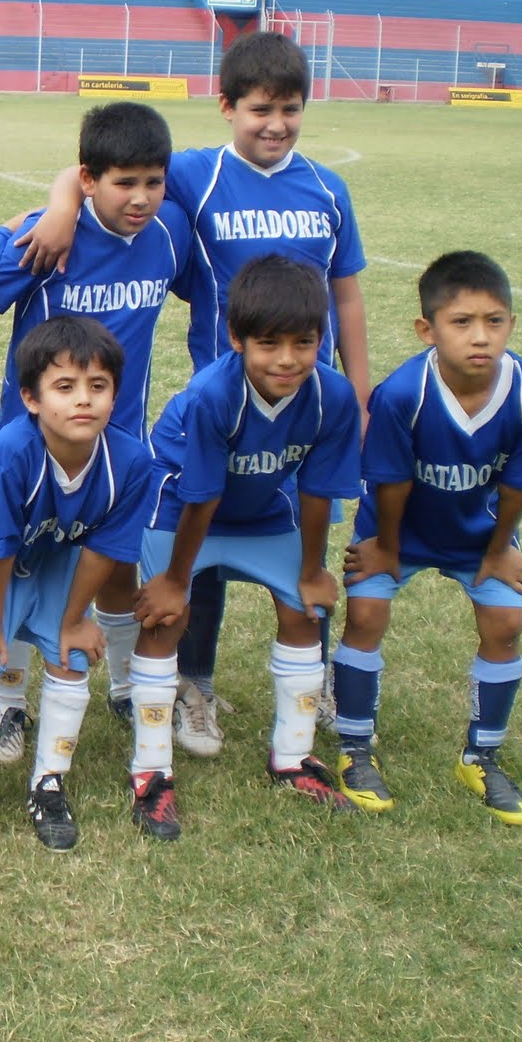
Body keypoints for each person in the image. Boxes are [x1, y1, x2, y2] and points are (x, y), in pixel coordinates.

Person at [28, 31, 371, 757]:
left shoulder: (326, 187)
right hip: (224, 399)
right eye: (259, 109)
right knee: (205, 527)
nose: (275, 124)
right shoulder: (198, 175)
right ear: (226, 108)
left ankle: (321, 674)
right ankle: (195, 684)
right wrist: (61, 204)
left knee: (308, 525)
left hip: (305, 401)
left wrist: (360, 385)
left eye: (290, 109)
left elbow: (347, 293)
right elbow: (106, 168)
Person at [0, 101, 192, 761]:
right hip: (31, 451)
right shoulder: (46, 240)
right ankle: (9, 705)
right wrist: (55, 207)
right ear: (89, 179)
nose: (140, 198)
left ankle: (123, 680)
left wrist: (65, 191)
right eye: (122, 183)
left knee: (111, 561)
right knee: (25, 563)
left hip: (115, 449)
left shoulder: (171, 233)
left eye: (152, 182)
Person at [130, 255, 362, 840]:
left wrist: (311, 569)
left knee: (305, 610)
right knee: (165, 618)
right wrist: (176, 579)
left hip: (261, 508)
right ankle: (151, 772)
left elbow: (315, 489)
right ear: (236, 339)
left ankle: (293, 757)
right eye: (268, 343)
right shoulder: (213, 394)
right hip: (182, 507)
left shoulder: (331, 396)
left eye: (304, 342)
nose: (287, 359)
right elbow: (200, 494)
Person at [333, 251, 522, 824]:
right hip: (396, 531)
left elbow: (518, 483)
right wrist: (385, 545)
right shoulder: (403, 394)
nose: (480, 337)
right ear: (426, 330)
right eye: (462, 323)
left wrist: (500, 545)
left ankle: (482, 755)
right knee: (363, 616)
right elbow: (389, 480)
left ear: (511, 323)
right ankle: (354, 747)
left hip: (479, 536)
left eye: (494, 321)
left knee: (506, 623)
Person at [0, 317, 153, 853]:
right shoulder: (13, 451)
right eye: (65, 386)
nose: (83, 400)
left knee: (71, 656)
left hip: (53, 548)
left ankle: (48, 782)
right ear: (31, 398)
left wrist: (74, 619)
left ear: (115, 395)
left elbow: (106, 550)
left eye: (98, 387)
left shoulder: (132, 461)